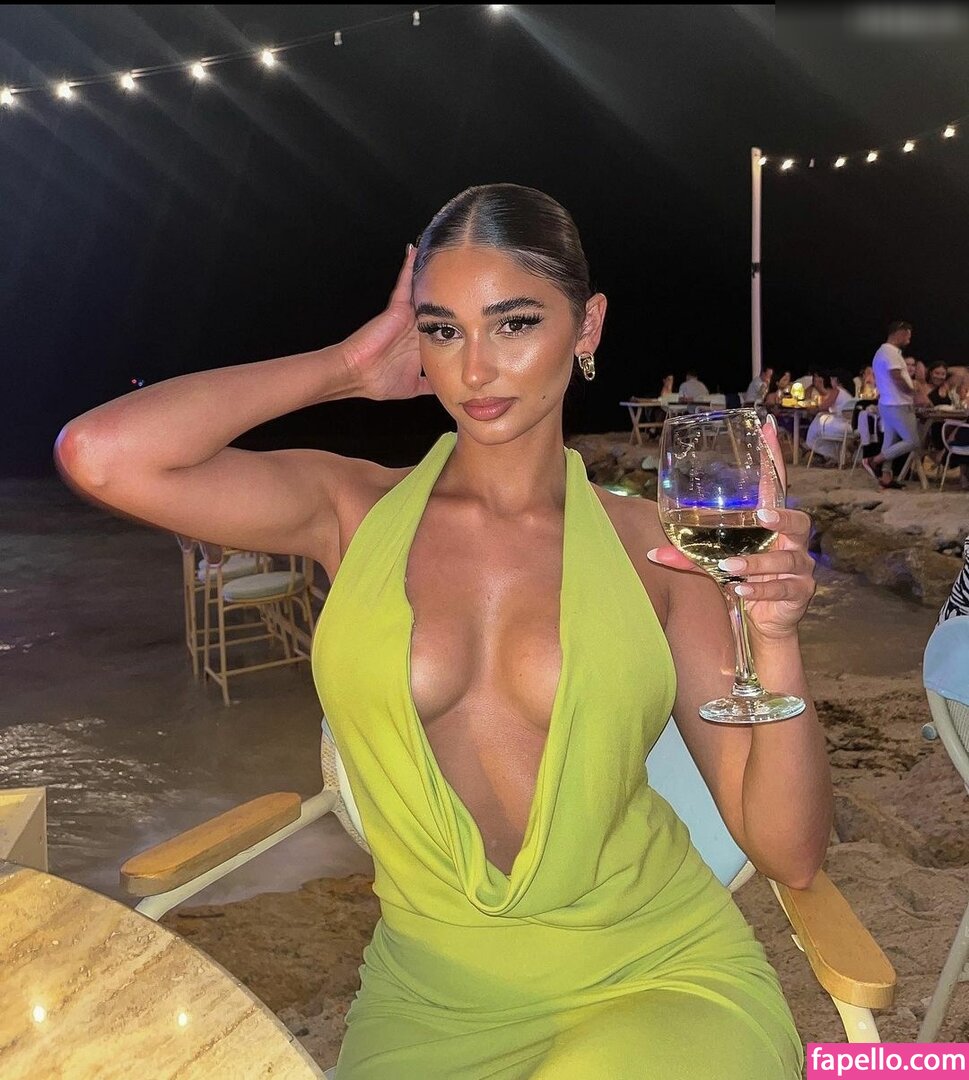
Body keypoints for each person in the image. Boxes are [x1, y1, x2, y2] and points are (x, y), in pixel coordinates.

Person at [56, 183, 826, 1079]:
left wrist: (775, 637)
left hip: (654, 977)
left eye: (513, 324)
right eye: (443, 330)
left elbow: (788, 853)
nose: (475, 370)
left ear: (587, 327)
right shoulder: (352, 511)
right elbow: (101, 456)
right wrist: (345, 367)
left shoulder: (658, 551)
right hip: (429, 1002)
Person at [863, 320, 922, 489]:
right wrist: (913, 393)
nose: (909, 340)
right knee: (913, 441)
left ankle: (886, 477)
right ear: (899, 333)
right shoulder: (890, 353)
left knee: (889, 442)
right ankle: (874, 460)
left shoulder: (882, 352)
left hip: (887, 403)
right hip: (898, 404)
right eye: (908, 336)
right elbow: (896, 377)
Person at [804, 370, 854, 465]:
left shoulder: (837, 390)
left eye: (832, 378)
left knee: (818, 420)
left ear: (836, 380)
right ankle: (836, 456)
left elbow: (824, 406)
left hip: (842, 426)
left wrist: (812, 410)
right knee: (819, 419)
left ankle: (811, 446)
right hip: (850, 425)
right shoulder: (847, 393)